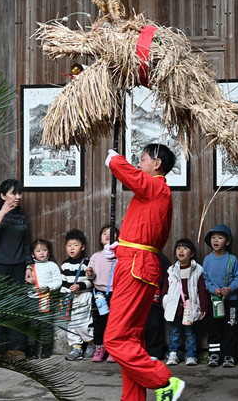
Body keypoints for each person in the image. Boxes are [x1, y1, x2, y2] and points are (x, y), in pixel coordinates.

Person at [102, 143, 185, 401]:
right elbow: (146, 233)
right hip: (135, 261)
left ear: (157, 163)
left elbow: (131, 175)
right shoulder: (154, 193)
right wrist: (120, 247)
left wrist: (116, 161)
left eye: (143, 159)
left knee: (114, 339)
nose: (139, 164)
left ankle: (163, 380)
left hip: (136, 267)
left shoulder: (156, 187)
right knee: (130, 339)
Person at [0, 178, 31, 357]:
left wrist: (28, 266)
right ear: (3, 195)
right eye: (13, 193)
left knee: (17, 307)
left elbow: (26, 243)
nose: (17, 197)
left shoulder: (22, 217)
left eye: (19, 193)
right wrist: (3, 211)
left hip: (17, 267)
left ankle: (16, 348)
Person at [202, 223, 238, 368]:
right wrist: (214, 290)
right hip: (215, 301)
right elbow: (206, 280)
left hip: (231, 301)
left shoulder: (232, 259)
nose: (216, 240)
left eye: (220, 237)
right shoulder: (207, 260)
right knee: (214, 328)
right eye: (213, 238)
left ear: (227, 242)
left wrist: (230, 288)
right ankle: (214, 355)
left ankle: (229, 355)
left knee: (230, 327)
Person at [163, 238, 209, 366]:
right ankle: (173, 353)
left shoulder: (197, 270)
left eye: (185, 248)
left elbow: (202, 290)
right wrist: (165, 303)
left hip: (190, 307)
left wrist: (204, 306)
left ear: (192, 253)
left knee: (190, 332)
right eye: (178, 248)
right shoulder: (171, 270)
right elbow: (165, 289)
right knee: (174, 331)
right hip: (175, 307)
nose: (181, 250)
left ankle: (191, 355)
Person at [60, 229, 94, 360]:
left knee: (84, 322)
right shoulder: (64, 265)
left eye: (75, 245)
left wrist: (80, 286)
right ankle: (76, 348)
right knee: (71, 323)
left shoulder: (87, 263)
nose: (72, 248)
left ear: (83, 247)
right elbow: (63, 283)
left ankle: (91, 342)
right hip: (69, 298)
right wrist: (63, 297)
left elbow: (91, 282)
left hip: (83, 296)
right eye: (69, 245)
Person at [26, 238, 61, 359]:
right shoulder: (30, 267)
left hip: (46, 299)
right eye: (38, 251)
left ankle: (46, 349)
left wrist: (48, 287)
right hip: (32, 299)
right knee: (32, 325)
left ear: (49, 252)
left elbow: (58, 281)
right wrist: (28, 281)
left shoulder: (52, 266)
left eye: (44, 250)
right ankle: (31, 350)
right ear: (32, 254)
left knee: (46, 325)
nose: (41, 253)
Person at [86, 225, 115, 363]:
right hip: (99, 294)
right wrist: (90, 273)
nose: (108, 235)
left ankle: (113, 350)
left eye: (111, 233)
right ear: (100, 239)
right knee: (99, 322)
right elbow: (90, 275)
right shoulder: (96, 256)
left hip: (115, 293)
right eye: (104, 234)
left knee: (114, 323)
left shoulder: (119, 256)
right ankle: (100, 348)